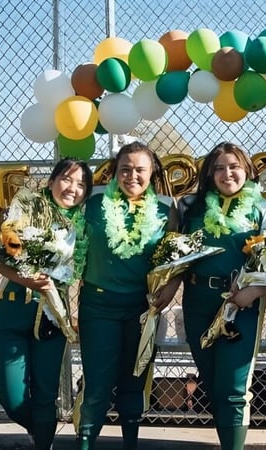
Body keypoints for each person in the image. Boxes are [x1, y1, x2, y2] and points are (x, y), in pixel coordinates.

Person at [178, 142, 266, 450]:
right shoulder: (191, 206)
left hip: (241, 306)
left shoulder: (264, 210)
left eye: (234, 166)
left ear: (247, 171)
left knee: (234, 388)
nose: (227, 174)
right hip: (197, 301)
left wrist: (252, 292)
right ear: (209, 174)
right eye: (219, 167)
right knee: (211, 383)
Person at [77, 142, 176, 450]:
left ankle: (130, 443)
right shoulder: (92, 204)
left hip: (141, 308)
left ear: (152, 172)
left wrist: (170, 288)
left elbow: (174, 261)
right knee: (98, 386)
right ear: (115, 171)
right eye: (125, 169)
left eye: (140, 169)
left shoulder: (166, 209)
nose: (132, 175)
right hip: (98, 306)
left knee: (134, 384)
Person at [0, 158, 92, 450]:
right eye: (66, 179)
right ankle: (39, 429)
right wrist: (28, 280)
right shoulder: (27, 209)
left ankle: (43, 442)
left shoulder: (84, 226)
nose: (72, 188)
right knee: (12, 399)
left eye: (81, 184)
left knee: (46, 394)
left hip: (52, 316)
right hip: (13, 312)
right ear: (51, 181)